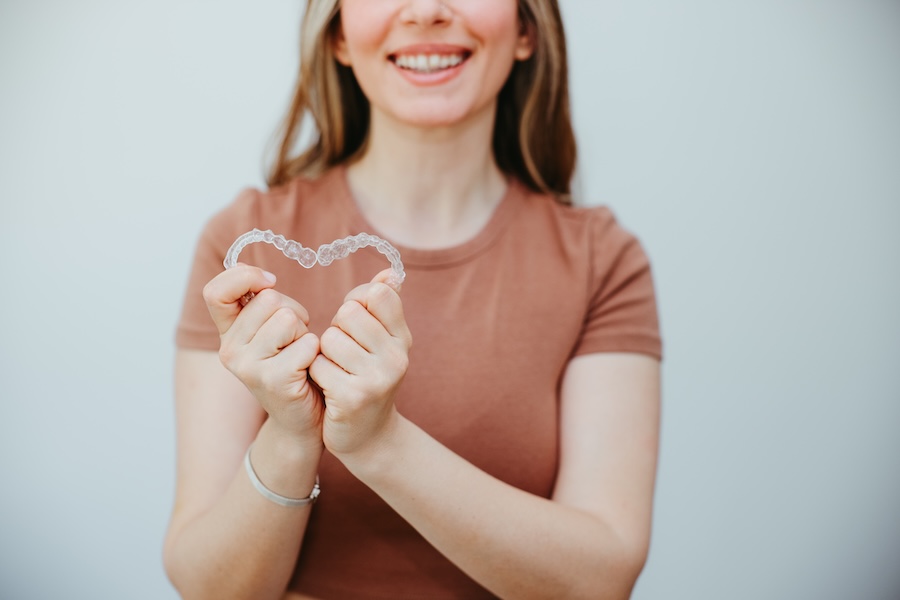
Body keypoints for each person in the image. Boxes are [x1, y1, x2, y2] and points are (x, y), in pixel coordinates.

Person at [163, 0, 662, 598]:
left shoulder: (601, 261)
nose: (426, 10)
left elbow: (600, 580)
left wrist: (380, 442)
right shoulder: (240, 250)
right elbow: (207, 586)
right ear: (340, 35)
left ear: (527, 29)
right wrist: (292, 434)